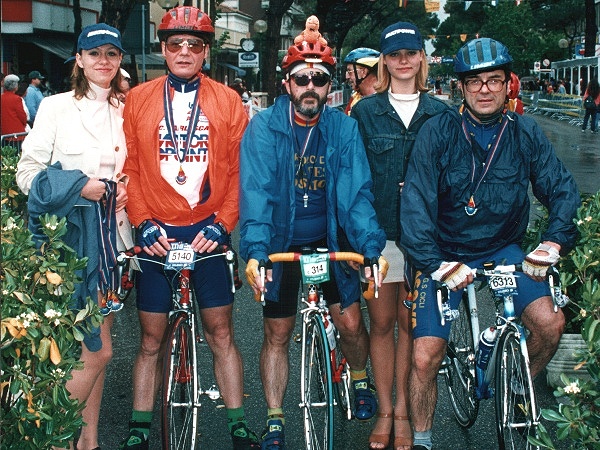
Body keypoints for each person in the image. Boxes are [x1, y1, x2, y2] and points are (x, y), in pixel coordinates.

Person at [400, 37, 580, 450]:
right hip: (444, 252)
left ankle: (519, 389)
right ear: (460, 87)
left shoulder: (524, 132)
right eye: (475, 81)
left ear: (507, 85)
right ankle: (424, 440)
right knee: (426, 356)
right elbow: (415, 207)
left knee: (551, 324)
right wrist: (435, 263)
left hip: (502, 249)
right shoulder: (437, 132)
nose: (485, 89)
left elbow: (562, 189)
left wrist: (553, 241)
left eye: (494, 80)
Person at [240, 19, 388, 450]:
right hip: (281, 241)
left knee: (350, 321)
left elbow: (357, 196)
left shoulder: (343, 128)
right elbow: (256, 194)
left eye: (319, 79)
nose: (310, 87)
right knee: (277, 333)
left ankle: (359, 378)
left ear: (329, 85)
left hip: (331, 239)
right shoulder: (265, 127)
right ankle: (273, 417)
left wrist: (370, 248)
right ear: (287, 83)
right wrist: (254, 251)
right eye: (301, 78)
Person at [120, 6, 259, 450]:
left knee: (221, 333)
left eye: (194, 44)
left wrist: (223, 225)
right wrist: (141, 222)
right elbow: (133, 169)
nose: (184, 51)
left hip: (207, 229)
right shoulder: (138, 98)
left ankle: (238, 423)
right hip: (157, 233)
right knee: (149, 338)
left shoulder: (228, 100)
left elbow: (240, 172)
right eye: (175, 44)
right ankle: (140, 427)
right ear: (163, 49)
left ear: (205, 53)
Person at [16, 23, 133, 450]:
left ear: (121, 60)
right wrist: (80, 185)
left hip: (115, 243)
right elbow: (26, 174)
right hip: (70, 243)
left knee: (93, 350)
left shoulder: (129, 108)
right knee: (93, 349)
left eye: (112, 54)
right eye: (95, 53)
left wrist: (130, 191)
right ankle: (52, 440)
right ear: (79, 61)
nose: (104, 61)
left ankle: (89, 442)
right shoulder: (54, 107)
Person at [350, 21, 448, 450]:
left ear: (422, 59)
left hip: (426, 238)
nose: (403, 60)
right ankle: (386, 411)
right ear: (384, 62)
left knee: (413, 326)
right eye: (394, 54)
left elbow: (453, 177)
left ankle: (406, 412)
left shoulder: (442, 113)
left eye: (411, 52)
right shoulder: (366, 112)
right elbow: (354, 177)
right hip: (381, 237)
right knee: (382, 322)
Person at [343, 47, 380, 114]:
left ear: (363, 72)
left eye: (349, 71)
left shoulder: (384, 101)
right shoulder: (355, 98)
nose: (347, 77)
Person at [1, 74, 28, 141]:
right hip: (16, 132)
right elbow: (22, 116)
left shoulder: (1, 97)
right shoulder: (17, 99)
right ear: (15, 86)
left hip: (4, 131)